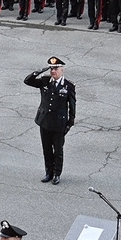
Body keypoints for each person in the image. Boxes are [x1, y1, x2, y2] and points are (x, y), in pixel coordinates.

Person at [24, 56, 77, 184]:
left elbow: (72, 106)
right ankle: (49, 172)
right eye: (51, 68)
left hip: (59, 124)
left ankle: (57, 174)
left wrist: (70, 123)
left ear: (62, 70)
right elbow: (27, 81)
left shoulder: (68, 86)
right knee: (46, 149)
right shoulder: (45, 81)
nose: (53, 71)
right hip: (45, 122)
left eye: (56, 68)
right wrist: (39, 71)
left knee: (58, 151)